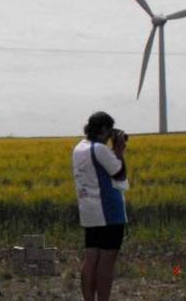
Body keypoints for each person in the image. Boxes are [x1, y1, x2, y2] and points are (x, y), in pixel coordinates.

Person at [73, 111, 128, 301]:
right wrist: (119, 150)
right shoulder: (100, 149)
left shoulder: (79, 147)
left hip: (89, 213)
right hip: (109, 213)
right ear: (104, 129)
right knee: (106, 261)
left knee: (90, 259)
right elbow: (119, 173)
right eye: (110, 130)